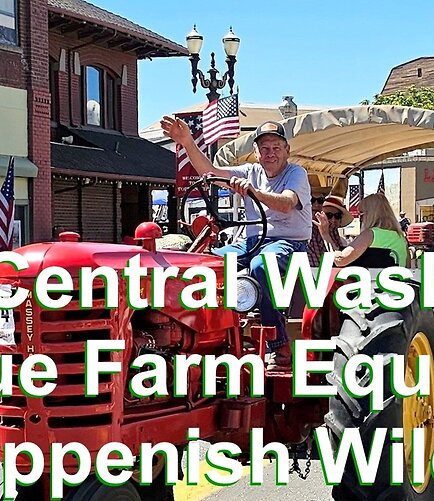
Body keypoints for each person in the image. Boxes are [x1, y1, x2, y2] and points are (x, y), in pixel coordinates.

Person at [161, 116, 311, 367]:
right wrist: (187, 141)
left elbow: (286, 204)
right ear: (256, 151)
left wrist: (253, 192)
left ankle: (279, 346)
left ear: (287, 150)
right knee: (206, 264)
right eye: (264, 148)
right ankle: (205, 335)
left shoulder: (296, 173)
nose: (270, 153)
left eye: (276, 147)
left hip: (288, 242)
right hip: (253, 240)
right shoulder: (251, 171)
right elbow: (210, 174)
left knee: (262, 266)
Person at [334, 193, 409, 268]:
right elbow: (408, 265)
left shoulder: (369, 235)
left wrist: (326, 236)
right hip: (397, 278)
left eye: (361, 214)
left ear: (369, 214)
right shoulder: (400, 237)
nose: (360, 219)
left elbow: (341, 260)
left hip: (374, 278)